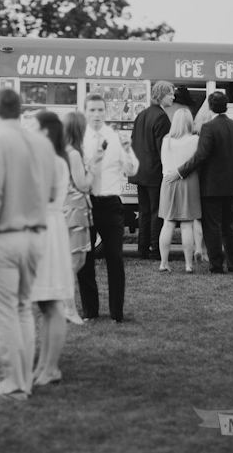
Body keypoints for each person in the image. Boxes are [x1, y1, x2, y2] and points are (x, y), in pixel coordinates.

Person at [0, 88, 54, 401]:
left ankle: (12, 383)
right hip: (35, 235)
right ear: (19, 110)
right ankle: (24, 382)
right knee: (22, 310)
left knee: (5, 314)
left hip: (3, 236)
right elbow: (51, 192)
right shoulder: (42, 143)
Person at [173, 91, 233, 274]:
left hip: (212, 185)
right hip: (231, 185)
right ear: (227, 105)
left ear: (210, 106)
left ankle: (216, 264)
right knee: (229, 226)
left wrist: (181, 171)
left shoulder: (208, 128)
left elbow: (201, 155)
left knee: (212, 226)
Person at [79, 93, 139, 323]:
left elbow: (132, 170)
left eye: (100, 110)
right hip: (87, 202)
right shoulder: (80, 139)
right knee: (85, 260)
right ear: (85, 111)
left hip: (112, 203)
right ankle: (90, 311)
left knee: (115, 258)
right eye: (92, 110)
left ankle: (117, 312)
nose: (96, 115)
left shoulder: (115, 138)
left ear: (106, 112)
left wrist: (128, 149)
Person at [31, 110, 74, 386]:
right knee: (45, 305)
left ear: (45, 131)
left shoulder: (53, 161)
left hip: (47, 228)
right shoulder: (52, 158)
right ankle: (42, 365)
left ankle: (52, 368)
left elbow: (41, 195)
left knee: (53, 303)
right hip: (45, 227)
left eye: (32, 126)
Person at [129, 81, 174, 260]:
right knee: (157, 212)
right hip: (155, 172)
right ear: (162, 95)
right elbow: (163, 149)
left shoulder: (141, 114)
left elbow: (134, 141)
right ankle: (155, 249)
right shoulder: (162, 117)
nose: (173, 96)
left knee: (144, 212)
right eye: (170, 93)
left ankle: (142, 249)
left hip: (140, 172)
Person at [159, 110, 203, 273]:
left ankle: (164, 263)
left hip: (168, 181)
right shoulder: (195, 140)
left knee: (167, 223)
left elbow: (164, 162)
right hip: (188, 181)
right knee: (187, 224)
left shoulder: (166, 140)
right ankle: (188, 264)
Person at [61, 111, 93, 325]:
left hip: (78, 208)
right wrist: (93, 169)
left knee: (79, 259)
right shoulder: (72, 154)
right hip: (74, 209)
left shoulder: (66, 151)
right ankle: (68, 308)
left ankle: (64, 304)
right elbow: (83, 184)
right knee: (73, 261)